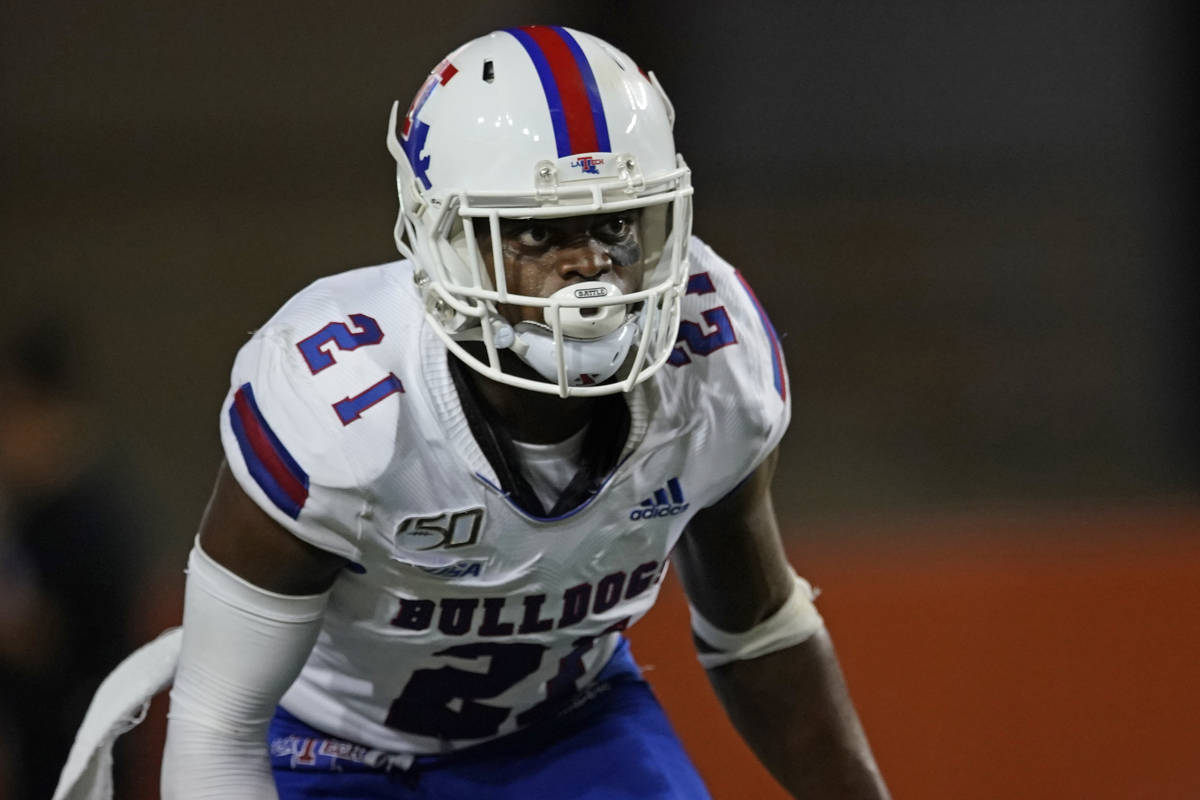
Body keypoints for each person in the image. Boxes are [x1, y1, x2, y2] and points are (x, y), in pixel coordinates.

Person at [63, 25, 889, 799]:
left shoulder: (716, 362)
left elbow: (757, 636)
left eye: (614, 226)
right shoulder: (340, 407)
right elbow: (217, 725)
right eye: (537, 234)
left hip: (566, 730)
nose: (588, 272)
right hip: (323, 746)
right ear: (439, 239)